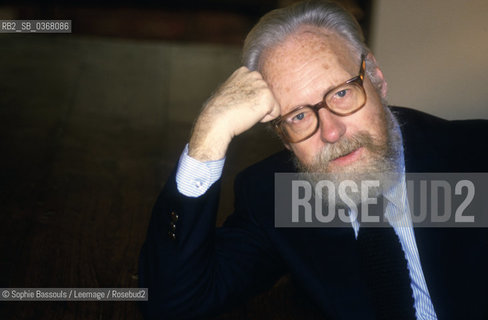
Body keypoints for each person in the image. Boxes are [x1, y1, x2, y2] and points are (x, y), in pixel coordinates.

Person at [139, 1, 488, 319]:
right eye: (299, 116)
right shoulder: (277, 197)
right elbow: (172, 305)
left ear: (376, 78)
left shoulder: (474, 157)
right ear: (283, 137)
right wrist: (207, 138)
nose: (332, 132)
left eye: (341, 93)